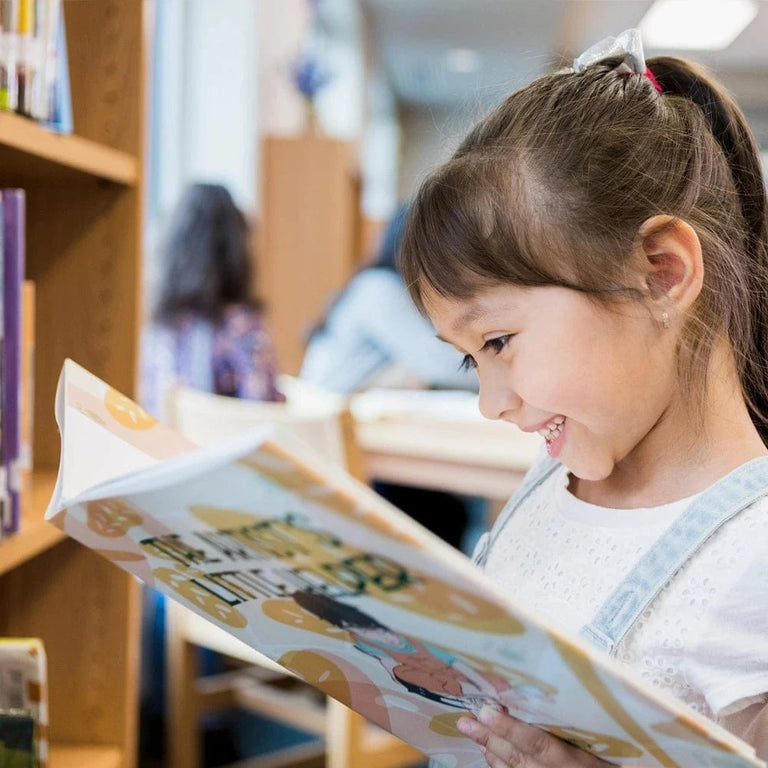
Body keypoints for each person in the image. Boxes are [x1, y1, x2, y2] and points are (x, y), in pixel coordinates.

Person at [398, 28, 768, 766]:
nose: (491, 403)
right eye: (471, 359)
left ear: (661, 273)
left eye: (498, 341)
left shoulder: (753, 558)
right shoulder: (555, 478)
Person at [301, 202, 478, 551]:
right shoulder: (380, 289)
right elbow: (441, 364)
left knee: (444, 505)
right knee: (448, 512)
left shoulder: (369, 285)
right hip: (337, 459)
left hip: (340, 447)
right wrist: (503, 359)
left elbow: (423, 368)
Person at [300, 202, 478, 393]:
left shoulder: (378, 285)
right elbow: (441, 366)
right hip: (328, 404)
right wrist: (494, 370)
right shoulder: (378, 288)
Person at [141, 182, 284, 421]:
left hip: (162, 443)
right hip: (228, 444)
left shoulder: (160, 331)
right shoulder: (244, 330)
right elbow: (266, 416)